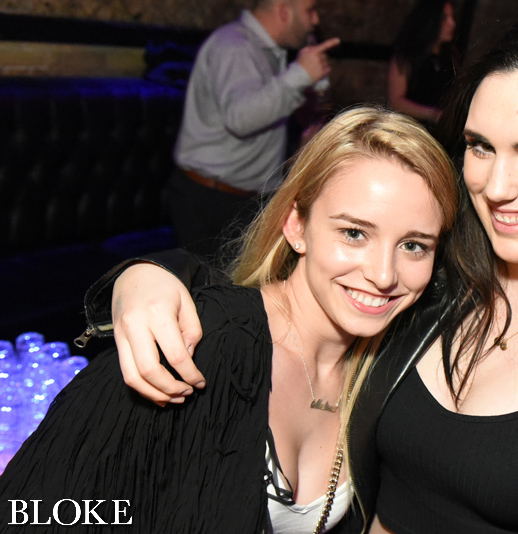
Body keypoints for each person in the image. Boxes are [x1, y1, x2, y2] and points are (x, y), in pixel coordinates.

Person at [76, 17, 518, 533]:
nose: (495, 185)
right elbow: (286, 289)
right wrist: (148, 275)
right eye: (480, 146)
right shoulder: (431, 284)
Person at [0, 107, 459, 533]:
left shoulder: (392, 366)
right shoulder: (200, 341)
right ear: (296, 226)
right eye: (354, 233)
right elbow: (32, 507)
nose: (383, 275)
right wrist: (139, 275)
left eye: (413, 245)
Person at [170, 0, 340, 260]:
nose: (315, 20)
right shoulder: (234, 46)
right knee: (214, 285)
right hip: (212, 201)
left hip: (247, 200)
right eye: (310, 10)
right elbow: (240, 119)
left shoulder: (269, 52)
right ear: (284, 11)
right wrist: (300, 75)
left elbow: (265, 120)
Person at [387, 0, 457, 127]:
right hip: (411, 128)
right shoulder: (407, 56)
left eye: (452, 17)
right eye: (444, 18)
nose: (452, 23)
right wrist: (432, 114)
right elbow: (395, 102)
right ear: (431, 21)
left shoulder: (450, 57)